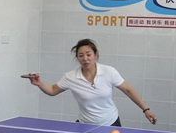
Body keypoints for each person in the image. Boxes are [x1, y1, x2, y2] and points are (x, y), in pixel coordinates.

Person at [25, 38, 157, 126]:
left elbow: (128, 90)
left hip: (111, 124)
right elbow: (53, 90)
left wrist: (145, 109)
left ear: (95, 55)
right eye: (81, 55)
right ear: (77, 58)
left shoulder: (109, 71)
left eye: (88, 54)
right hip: (85, 125)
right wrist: (39, 83)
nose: (85, 58)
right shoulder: (71, 77)